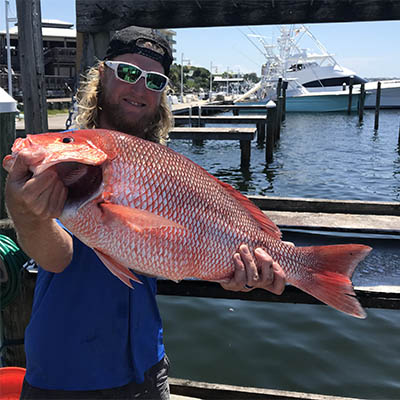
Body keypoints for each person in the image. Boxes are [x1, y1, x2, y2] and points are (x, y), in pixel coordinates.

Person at [5, 26, 286, 399]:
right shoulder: (70, 161)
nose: (139, 89)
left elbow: (182, 247)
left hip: (147, 367)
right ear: (102, 75)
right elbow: (57, 257)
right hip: (67, 372)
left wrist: (231, 270)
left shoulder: (165, 166)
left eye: (153, 81)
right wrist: (26, 213)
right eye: (127, 73)